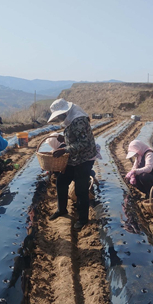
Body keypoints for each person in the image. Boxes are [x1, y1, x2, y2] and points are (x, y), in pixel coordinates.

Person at [48, 98, 97, 230]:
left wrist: (64, 149)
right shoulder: (71, 117)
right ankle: (62, 209)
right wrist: (63, 139)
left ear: (65, 111)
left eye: (59, 115)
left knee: (81, 189)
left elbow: (84, 143)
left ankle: (83, 219)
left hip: (84, 158)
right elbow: (75, 137)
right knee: (62, 181)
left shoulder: (78, 119)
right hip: (74, 156)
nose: (59, 118)